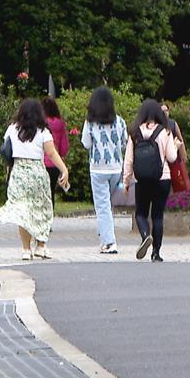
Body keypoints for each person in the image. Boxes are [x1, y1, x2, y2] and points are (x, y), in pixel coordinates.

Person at [0, 99, 70, 261]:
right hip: (37, 172)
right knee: (42, 208)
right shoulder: (42, 131)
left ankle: (25, 249)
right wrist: (64, 169)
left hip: (18, 172)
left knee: (23, 212)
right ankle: (41, 246)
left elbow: (7, 150)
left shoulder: (12, 129)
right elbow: (51, 153)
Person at [124, 99, 181, 262]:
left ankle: (144, 236)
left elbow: (129, 160)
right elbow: (171, 157)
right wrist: (176, 145)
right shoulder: (165, 132)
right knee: (157, 216)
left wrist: (126, 181)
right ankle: (156, 253)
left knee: (141, 213)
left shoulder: (135, 132)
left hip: (141, 179)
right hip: (162, 178)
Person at [81, 87, 128, 254]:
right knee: (108, 204)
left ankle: (109, 242)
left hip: (98, 168)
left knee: (102, 206)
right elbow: (124, 143)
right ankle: (104, 235)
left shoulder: (90, 123)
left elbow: (86, 144)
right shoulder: (120, 121)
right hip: (116, 167)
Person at [42, 96, 70, 207]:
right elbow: (64, 147)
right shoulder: (60, 124)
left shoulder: (40, 124)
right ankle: (49, 217)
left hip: (41, 162)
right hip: (54, 164)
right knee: (51, 192)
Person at [161, 103, 190, 193]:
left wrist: (184, 156)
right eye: (162, 111)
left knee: (177, 179)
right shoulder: (156, 125)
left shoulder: (173, 123)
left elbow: (180, 140)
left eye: (166, 110)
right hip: (162, 159)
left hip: (174, 156)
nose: (165, 113)